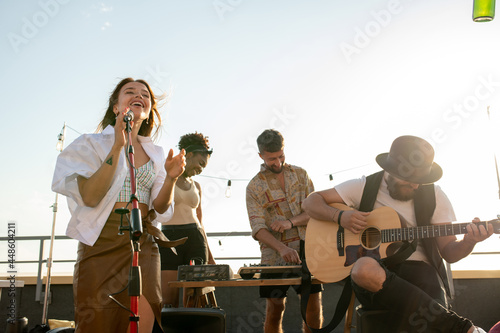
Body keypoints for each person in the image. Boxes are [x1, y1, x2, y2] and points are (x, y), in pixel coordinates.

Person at [302, 135, 494, 333]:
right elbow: (310, 202)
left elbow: (449, 253)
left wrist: (469, 241)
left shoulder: (434, 195)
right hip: (375, 274)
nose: (416, 185)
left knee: (428, 297)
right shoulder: (364, 186)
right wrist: (339, 216)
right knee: (362, 268)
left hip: (421, 273)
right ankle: (466, 330)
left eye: (421, 180)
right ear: (392, 170)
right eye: (410, 180)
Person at [52, 78, 186, 333]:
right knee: (98, 320)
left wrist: (170, 178)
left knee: (143, 320)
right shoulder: (90, 144)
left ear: (148, 111)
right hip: (102, 242)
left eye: (144, 94)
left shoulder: (156, 153)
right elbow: (90, 197)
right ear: (116, 107)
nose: (139, 95)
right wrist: (117, 146)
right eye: (130, 92)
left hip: (143, 242)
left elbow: (159, 207)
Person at [246, 129, 323, 333]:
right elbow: (258, 228)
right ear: (261, 155)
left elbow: (316, 211)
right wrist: (282, 249)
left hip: (308, 248)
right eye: (272, 159)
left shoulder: (301, 174)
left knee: (312, 308)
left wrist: (290, 222)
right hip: (273, 255)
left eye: (281, 156)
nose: (278, 163)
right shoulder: (253, 186)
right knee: (275, 309)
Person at [159, 132, 215, 307]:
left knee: (194, 299)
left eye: (204, 166)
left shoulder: (196, 186)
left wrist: (210, 256)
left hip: (195, 239)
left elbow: (200, 220)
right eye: (200, 163)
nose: (201, 169)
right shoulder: (165, 176)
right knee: (168, 301)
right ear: (188, 155)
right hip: (168, 240)